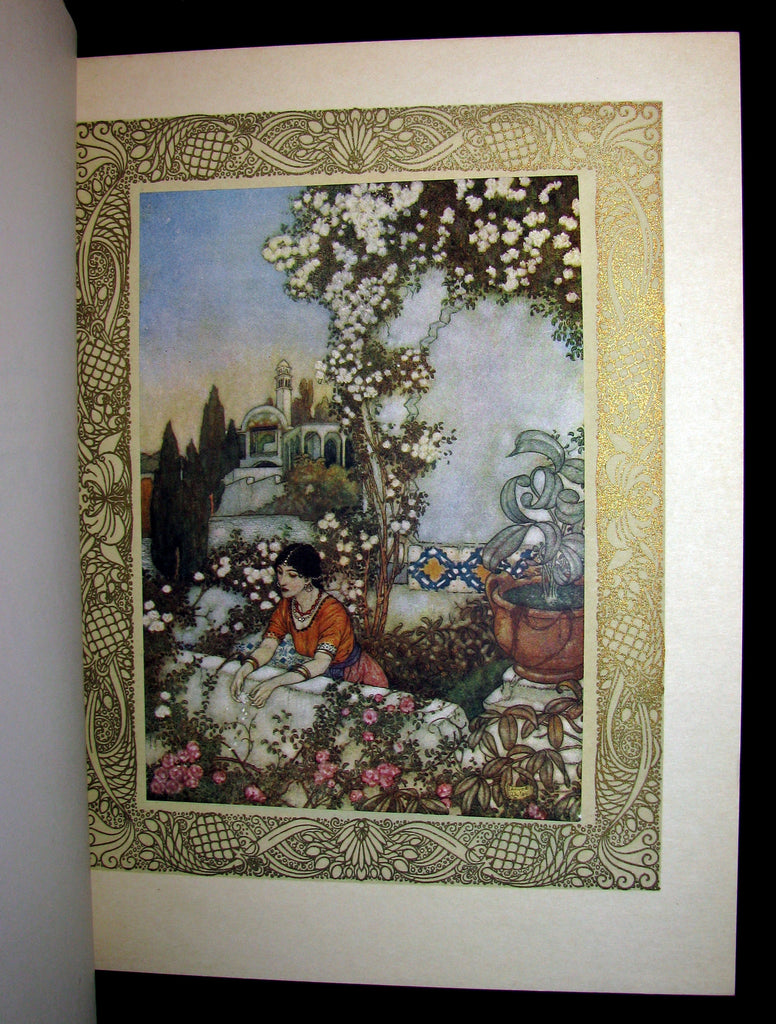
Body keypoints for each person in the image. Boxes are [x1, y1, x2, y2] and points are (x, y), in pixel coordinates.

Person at [230, 542, 389, 708]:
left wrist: (274, 683)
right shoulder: (286, 606)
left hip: (351, 677)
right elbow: (268, 646)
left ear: (307, 578)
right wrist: (243, 670)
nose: (282, 581)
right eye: (280, 572)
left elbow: (321, 662)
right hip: (314, 673)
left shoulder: (332, 612)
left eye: (292, 575)